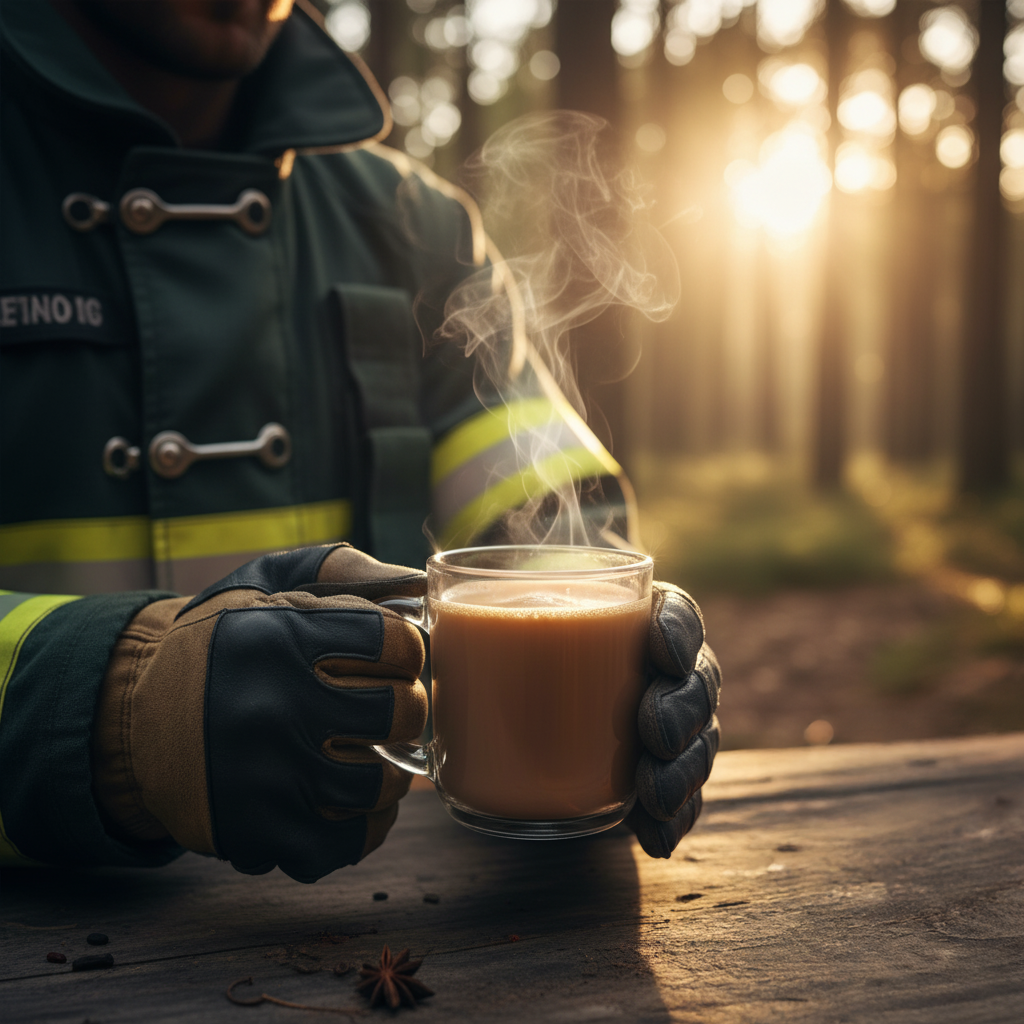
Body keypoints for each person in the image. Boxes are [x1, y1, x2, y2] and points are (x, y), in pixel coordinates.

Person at [0, 0, 721, 883]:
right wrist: (116, 706)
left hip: (372, 908)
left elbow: (555, 528)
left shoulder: (417, 228)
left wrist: (634, 678)